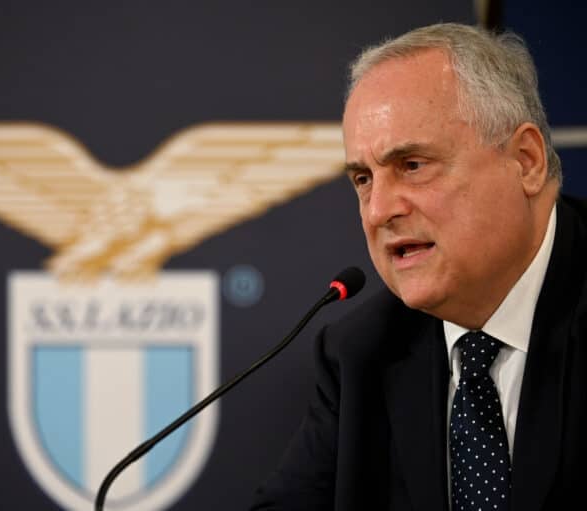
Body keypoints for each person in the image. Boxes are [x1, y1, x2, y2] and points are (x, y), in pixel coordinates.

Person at [250, 22, 586, 511]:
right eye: (363, 179)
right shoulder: (360, 352)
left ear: (526, 161)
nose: (378, 211)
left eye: (412, 165)